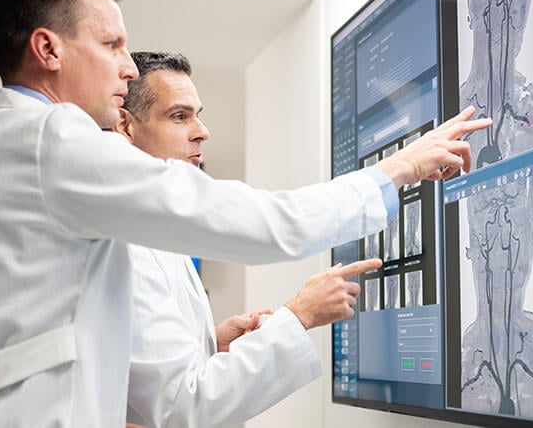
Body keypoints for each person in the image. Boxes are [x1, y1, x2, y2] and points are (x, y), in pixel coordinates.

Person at [0, 0, 491, 426]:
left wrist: (208, 342)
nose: (127, 66)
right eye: (111, 45)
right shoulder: (49, 140)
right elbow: (257, 222)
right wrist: (397, 170)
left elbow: (46, 323)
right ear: (48, 49)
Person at [118, 50, 383, 426]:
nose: (202, 131)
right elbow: (184, 408)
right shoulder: (127, 240)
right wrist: (301, 314)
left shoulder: (153, 228)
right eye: (179, 116)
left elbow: (143, 368)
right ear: (126, 127)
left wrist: (209, 342)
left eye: (198, 114)